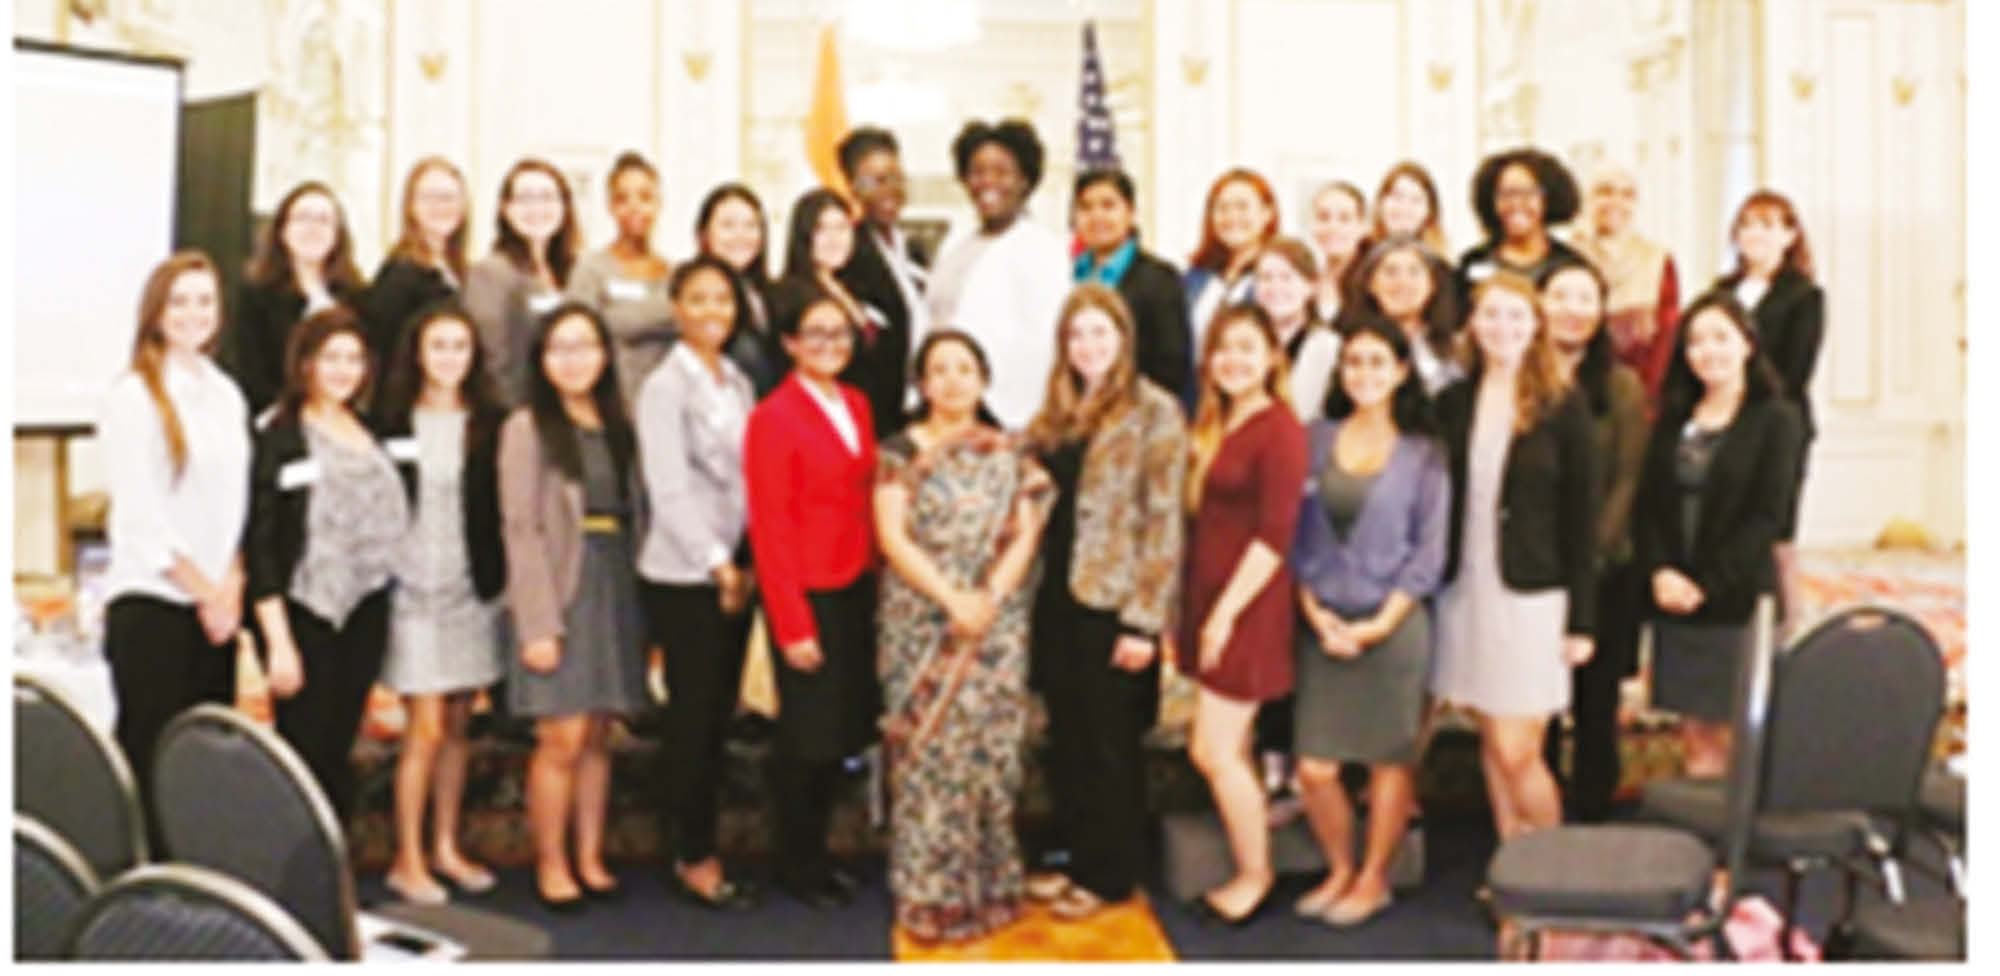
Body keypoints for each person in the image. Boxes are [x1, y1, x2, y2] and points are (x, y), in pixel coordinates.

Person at [875, 330, 1053, 942]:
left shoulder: (1010, 453)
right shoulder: (898, 452)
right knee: (929, 757)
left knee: (990, 756)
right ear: (921, 384)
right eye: (938, 370)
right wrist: (952, 599)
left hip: (995, 625)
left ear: (983, 379)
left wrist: (989, 598)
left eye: (964, 369)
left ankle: (990, 885)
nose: (951, 381)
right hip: (923, 621)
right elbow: (892, 537)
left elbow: (1026, 533)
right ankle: (931, 894)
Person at [1021, 284, 1187, 921]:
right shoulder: (1059, 410)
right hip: (1057, 595)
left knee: (1109, 742)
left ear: (1123, 337)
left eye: (1100, 333)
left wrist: (1145, 621)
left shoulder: (1154, 411)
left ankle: (1110, 873)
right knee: (1068, 734)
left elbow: (1163, 520)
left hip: (1114, 602)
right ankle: (1074, 852)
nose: (1089, 346)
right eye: (1077, 335)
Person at [1289, 314, 1449, 927]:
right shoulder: (1313, 440)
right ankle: (1339, 867)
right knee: (1315, 766)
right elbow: (1294, 540)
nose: (1365, 374)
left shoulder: (1425, 453)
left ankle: (1374, 877)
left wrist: (1380, 624)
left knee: (1389, 758)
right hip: (1322, 623)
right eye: (1354, 362)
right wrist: (1316, 613)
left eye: (1378, 362)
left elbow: (1429, 552)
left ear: (1402, 371)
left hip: (1394, 626)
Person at [1429, 272, 1597, 841]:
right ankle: (1511, 865)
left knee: (1517, 745)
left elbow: (1583, 521)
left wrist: (1583, 621)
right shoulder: (1454, 402)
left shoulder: (1562, 405)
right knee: (1491, 742)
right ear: (1473, 326)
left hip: (1533, 596)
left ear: (1536, 327)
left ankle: (1551, 876)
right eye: (1491, 316)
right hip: (1467, 591)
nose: (1503, 328)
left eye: (1516, 317)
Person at [498, 302, 649, 912]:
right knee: (559, 736)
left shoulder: (619, 421)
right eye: (560, 348)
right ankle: (552, 863)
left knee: (597, 735)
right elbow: (520, 527)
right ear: (541, 360)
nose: (574, 359)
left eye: (585, 346)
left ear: (605, 355)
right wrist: (537, 623)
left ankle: (590, 856)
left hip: (616, 580)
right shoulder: (527, 427)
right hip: (561, 586)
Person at [98, 251, 251, 852]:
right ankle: (142, 897)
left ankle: (196, 894)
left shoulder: (225, 393)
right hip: (155, 604)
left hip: (214, 610)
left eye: (205, 301)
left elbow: (234, 506)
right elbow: (142, 519)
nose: (194, 313)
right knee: (151, 762)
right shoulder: (134, 396)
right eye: (180, 301)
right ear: (156, 313)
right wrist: (205, 591)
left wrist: (230, 585)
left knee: (202, 765)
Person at [743, 288, 881, 908]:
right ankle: (795, 865)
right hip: (807, 592)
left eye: (841, 334)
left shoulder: (855, 402)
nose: (831, 345)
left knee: (839, 732)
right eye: (816, 334)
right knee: (806, 740)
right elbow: (770, 524)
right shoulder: (773, 417)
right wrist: (790, 622)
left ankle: (821, 853)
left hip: (855, 583)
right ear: (791, 344)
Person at [246, 307, 411, 821]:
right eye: (331, 358)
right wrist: (278, 643)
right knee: (304, 752)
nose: (343, 369)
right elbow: (262, 541)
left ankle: (334, 866)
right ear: (306, 364)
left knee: (340, 744)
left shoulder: (373, 429)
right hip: (305, 614)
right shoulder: (281, 433)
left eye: (353, 359)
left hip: (367, 608)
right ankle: (295, 872)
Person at [633, 256, 760, 911]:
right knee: (692, 720)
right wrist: (717, 562)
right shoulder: (665, 386)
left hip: (732, 567)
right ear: (676, 307)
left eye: (724, 299)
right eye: (699, 299)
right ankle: (692, 854)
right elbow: (669, 488)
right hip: (688, 575)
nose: (713, 310)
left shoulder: (735, 379)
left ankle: (698, 838)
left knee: (715, 719)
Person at [371, 301, 509, 905]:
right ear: (417, 354)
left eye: (460, 346)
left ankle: (446, 846)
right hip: (412, 588)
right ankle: (407, 856)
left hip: (471, 588)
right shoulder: (391, 421)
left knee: (456, 723)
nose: (449, 358)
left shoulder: (492, 421)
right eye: (438, 346)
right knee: (422, 727)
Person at [1633, 292, 1803, 777]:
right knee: (1695, 737)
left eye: (1721, 338)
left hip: (1737, 597)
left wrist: (1706, 583)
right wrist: (1662, 571)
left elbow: (1768, 515)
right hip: (1673, 598)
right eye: (1696, 341)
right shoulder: (1674, 417)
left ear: (1748, 344)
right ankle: (1706, 845)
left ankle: (1740, 848)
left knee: (1739, 738)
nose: (1709, 351)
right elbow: (1649, 506)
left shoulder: (1776, 419)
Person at [1177, 303, 1309, 926]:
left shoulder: (1279, 429)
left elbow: (1273, 535)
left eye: (1248, 349)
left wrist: (1224, 615)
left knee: (1215, 749)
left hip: (1246, 608)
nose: (1234, 361)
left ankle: (1256, 875)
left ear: (1272, 358)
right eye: (1223, 349)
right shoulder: (1216, 422)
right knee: (1232, 747)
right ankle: (1251, 858)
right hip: (1210, 601)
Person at [1537, 259, 1649, 823]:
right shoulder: (1521, 382)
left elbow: (1627, 479)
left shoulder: (1621, 385)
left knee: (1595, 703)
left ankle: (1592, 817)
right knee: (1537, 708)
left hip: (1605, 569)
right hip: (1533, 570)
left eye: (1585, 299)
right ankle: (1542, 818)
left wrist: (1587, 561)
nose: (1572, 310)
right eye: (1560, 296)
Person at [1711, 189, 1823, 632]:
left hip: (1779, 423)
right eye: (1748, 224)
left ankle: (1786, 624)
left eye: (1769, 225)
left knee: (1775, 528)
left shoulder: (1804, 296)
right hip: (1721, 419)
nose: (1756, 234)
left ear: (1790, 235)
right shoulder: (1722, 292)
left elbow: (1796, 368)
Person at [925, 118, 1071, 429]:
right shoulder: (955, 243)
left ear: (1025, 181)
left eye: (1002, 171)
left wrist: (1020, 420)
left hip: (1009, 416)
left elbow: (1044, 345)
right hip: (948, 410)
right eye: (977, 171)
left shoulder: (1042, 248)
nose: (987, 182)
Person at [225, 181, 367, 417]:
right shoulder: (255, 296)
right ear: (282, 230)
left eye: (323, 220)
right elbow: (249, 371)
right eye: (302, 218)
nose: (313, 228)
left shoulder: (356, 296)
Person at [777, 188, 900, 434]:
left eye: (842, 228)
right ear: (804, 236)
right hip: (822, 426)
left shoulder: (853, 287)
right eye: (822, 229)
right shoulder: (794, 294)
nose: (835, 239)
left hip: (869, 422)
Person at [835, 127, 929, 435]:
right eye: (874, 180)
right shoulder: (849, 256)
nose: (888, 189)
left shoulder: (914, 251)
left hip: (919, 413)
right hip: (874, 419)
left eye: (895, 177)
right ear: (852, 189)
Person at [1072, 167, 1193, 401]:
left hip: (1137, 418)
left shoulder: (1160, 279)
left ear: (1130, 212)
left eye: (1108, 206)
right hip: (1074, 414)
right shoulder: (1067, 274)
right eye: (1086, 207)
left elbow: (1171, 367)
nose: (1096, 216)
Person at [466, 159, 580, 402]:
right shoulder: (491, 272)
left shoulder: (571, 272)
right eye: (526, 198)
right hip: (518, 413)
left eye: (547, 197)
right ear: (505, 209)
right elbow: (493, 363)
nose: (537, 208)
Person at [567, 151, 675, 405]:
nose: (635, 207)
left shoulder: (675, 275)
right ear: (610, 207)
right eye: (623, 199)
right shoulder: (591, 270)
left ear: (659, 204)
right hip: (611, 406)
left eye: (645, 197)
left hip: (665, 408)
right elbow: (575, 339)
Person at [1573, 163, 1681, 402]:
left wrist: (1652, 394)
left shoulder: (1657, 258)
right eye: (1605, 192)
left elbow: (1667, 333)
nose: (1616, 202)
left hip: (1638, 390)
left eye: (1627, 195)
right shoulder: (1569, 255)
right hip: (1574, 387)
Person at [366, 157, 470, 372]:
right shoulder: (400, 274)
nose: (440, 206)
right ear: (410, 206)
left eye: (448, 198)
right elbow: (383, 353)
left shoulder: (461, 270)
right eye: (428, 198)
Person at [1183, 169, 1280, 387]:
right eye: (1223, 208)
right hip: (1196, 401)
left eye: (1242, 207)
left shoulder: (1276, 280)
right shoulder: (1193, 278)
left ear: (1267, 213)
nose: (1232, 217)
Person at [1456, 148, 1586, 308]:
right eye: (1506, 194)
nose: (1516, 204)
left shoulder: (1570, 264)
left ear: (1549, 198)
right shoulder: (1474, 261)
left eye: (1528, 193)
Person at [1342, 235, 1462, 395]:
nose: (1402, 282)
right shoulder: (1346, 342)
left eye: (1414, 272)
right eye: (1390, 272)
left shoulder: (1458, 348)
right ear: (1370, 284)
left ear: (1432, 284)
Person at [695, 183, 785, 396]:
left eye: (751, 225)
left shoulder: (766, 292)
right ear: (704, 234)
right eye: (728, 225)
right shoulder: (696, 294)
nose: (741, 235)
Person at [1251, 237, 1342, 419]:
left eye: (1287, 277)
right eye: (1266, 278)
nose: (1275, 287)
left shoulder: (1327, 347)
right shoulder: (1246, 343)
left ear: (1311, 286)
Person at [1306, 181, 1369, 323]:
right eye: (1323, 217)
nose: (1332, 226)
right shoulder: (1307, 279)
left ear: (1363, 226)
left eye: (1344, 219)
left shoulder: (1373, 281)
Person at [1371, 161, 1451, 258]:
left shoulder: (1441, 266)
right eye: (1397, 196)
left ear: (1429, 212)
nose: (1404, 207)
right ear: (1381, 202)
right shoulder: (1360, 260)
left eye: (1416, 200)